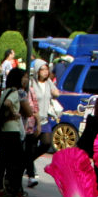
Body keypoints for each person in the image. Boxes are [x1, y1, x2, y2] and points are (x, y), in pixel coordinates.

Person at [0, 67, 31, 197]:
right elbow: (8, 104)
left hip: (3, 130)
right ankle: (14, 188)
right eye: (24, 77)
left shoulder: (5, 91)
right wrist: (15, 113)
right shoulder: (15, 92)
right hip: (12, 131)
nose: (26, 80)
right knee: (17, 162)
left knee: (2, 160)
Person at [24, 59, 62, 188]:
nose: (45, 72)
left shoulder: (48, 82)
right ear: (38, 70)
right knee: (31, 146)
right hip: (33, 119)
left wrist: (54, 92)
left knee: (46, 143)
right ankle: (30, 174)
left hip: (45, 119)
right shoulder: (32, 83)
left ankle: (26, 162)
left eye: (47, 69)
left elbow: (56, 93)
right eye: (42, 69)